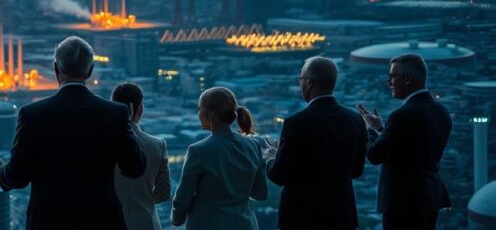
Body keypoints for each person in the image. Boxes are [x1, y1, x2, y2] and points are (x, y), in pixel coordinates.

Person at [0, 36, 146, 230]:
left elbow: (17, 177)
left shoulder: (33, 115)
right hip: (102, 220)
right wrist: (131, 125)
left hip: (49, 221)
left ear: (56, 69)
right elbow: (136, 168)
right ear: (90, 71)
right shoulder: (116, 113)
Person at [265, 56, 367, 230]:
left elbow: (279, 175)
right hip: (341, 215)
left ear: (309, 83)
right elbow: (357, 171)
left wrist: (272, 157)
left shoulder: (296, 123)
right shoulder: (355, 119)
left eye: (301, 80)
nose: (300, 85)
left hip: (302, 217)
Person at [357, 53, 452, 230]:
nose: (389, 82)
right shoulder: (441, 111)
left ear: (407, 79)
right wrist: (381, 129)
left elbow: (375, 155)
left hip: (403, 202)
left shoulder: (402, 115)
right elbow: (410, 147)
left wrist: (369, 128)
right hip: (429, 197)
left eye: (393, 76)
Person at [170, 87, 267, 230]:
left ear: (210, 114)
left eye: (199, 109)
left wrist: (176, 220)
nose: (197, 115)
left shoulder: (198, 151)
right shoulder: (253, 145)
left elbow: (183, 196)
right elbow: (260, 194)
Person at [110, 83, 171, 230]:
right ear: (140, 109)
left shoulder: (101, 144)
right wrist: (144, 200)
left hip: (111, 221)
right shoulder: (157, 145)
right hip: (147, 222)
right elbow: (164, 193)